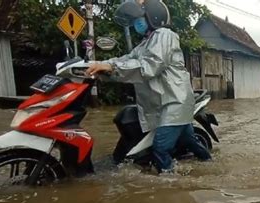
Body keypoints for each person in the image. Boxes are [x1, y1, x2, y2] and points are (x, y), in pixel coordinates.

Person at [85, 0, 211, 174]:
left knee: (160, 148)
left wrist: (111, 67)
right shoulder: (145, 44)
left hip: (174, 103)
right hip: (164, 104)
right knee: (189, 141)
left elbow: (150, 66)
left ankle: (169, 185)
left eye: (140, 18)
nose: (137, 23)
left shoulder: (164, 35)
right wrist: (99, 64)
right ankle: (210, 164)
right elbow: (126, 60)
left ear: (153, 16)